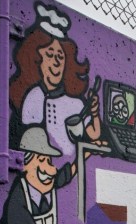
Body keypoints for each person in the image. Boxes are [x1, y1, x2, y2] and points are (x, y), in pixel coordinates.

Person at [9, 2, 100, 160]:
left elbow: (93, 133)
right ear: (38, 59)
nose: (56, 62)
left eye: (60, 56)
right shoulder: (34, 97)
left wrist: (94, 113)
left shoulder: (76, 103)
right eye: (50, 55)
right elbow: (29, 141)